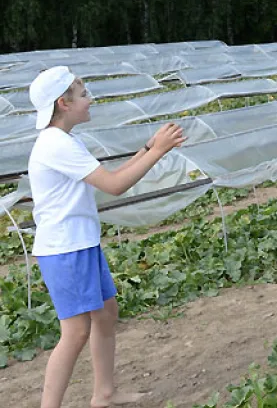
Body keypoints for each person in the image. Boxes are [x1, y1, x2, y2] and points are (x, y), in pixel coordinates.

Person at [27, 66, 186, 408]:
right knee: (75, 333)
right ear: (63, 103)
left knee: (105, 314)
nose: (90, 100)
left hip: (79, 244)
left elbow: (109, 175)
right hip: (64, 250)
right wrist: (158, 151)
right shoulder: (56, 144)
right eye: (83, 95)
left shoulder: (67, 139)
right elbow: (114, 186)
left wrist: (148, 147)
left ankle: (104, 395)